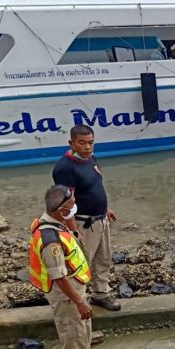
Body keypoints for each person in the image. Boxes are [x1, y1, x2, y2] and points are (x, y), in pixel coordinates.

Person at [29, 185, 105, 349]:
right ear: (61, 211)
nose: (74, 209)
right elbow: (59, 277)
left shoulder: (53, 222)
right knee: (73, 330)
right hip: (66, 292)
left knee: (83, 326)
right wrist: (79, 301)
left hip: (75, 284)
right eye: (71, 206)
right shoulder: (50, 241)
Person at [52, 125, 120, 312]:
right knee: (81, 263)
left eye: (90, 143)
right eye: (82, 143)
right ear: (71, 143)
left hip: (100, 219)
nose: (87, 147)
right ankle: (77, 300)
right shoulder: (65, 168)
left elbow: (95, 187)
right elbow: (66, 203)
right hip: (83, 223)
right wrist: (73, 230)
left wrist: (105, 209)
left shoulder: (91, 159)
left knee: (103, 259)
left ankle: (100, 294)